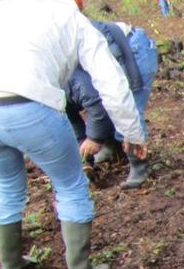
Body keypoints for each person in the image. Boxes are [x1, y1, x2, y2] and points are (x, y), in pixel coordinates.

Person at [0, 0, 146, 269]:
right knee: (70, 184)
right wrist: (133, 134)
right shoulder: (73, 20)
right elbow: (111, 83)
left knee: (5, 184)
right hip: (27, 104)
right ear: (74, 0)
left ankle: (12, 267)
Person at [67, 19, 159, 188]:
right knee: (113, 107)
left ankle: (139, 165)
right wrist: (84, 150)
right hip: (109, 55)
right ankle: (112, 148)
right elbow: (71, 118)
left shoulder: (72, 79)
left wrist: (94, 138)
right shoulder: (52, 86)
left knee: (129, 107)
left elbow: (98, 103)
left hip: (133, 49)